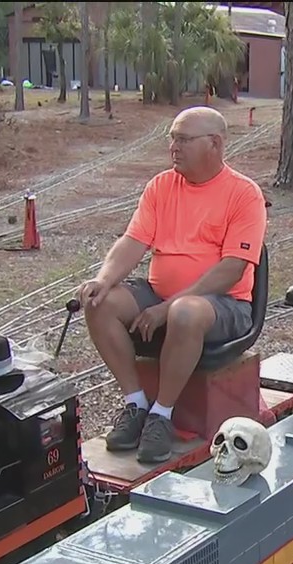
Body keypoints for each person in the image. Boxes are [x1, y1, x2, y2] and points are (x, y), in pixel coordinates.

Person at [76, 106, 267, 465]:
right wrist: (103, 279)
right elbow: (133, 242)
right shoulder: (161, 186)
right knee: (100, 303)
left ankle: (161, 415)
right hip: (160, 294)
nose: (173, 147)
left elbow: (232, 269)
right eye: (172, 138)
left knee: (184, 311)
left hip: (225, 306)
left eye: (183, 139)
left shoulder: (244, 194)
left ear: (214, 144)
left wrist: (167, 307)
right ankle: (136, 405)